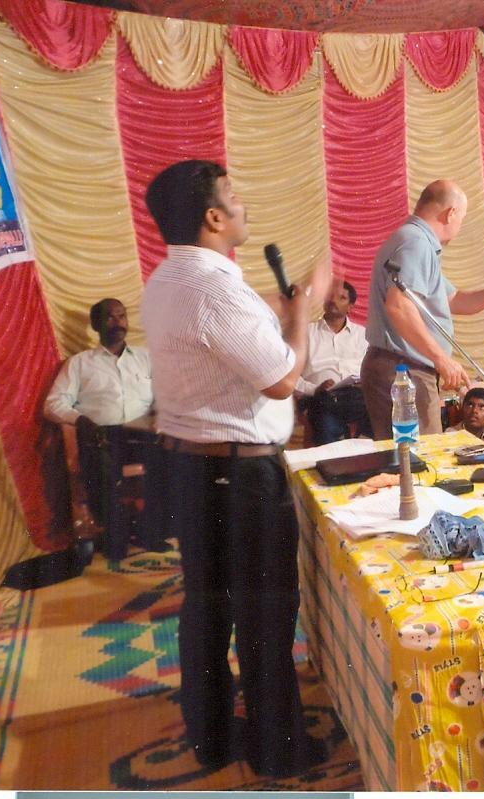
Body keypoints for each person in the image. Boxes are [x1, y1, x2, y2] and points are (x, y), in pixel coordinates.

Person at [141, 159, 330, 775]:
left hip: (193, 470)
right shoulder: (216, 289)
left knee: (208, 607)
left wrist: (283, 316)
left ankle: (213, 737)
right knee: (265, 614)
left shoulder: (167, 280)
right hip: (239, 477)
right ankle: (279, 750)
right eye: (234, 196)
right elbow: (281, 379)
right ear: (213, 217)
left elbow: (235, 352)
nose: (243, 204)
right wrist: (300, 317)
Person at [361, 180, 484, 439]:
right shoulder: (417, 243)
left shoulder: (413, 240)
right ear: (451, 213)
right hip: (404, 369)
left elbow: (452, 299)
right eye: (461, 218)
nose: (459, 226)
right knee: (419, 456)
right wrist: (441, 358)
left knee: (412, 454)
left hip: (401, 366)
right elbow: (399, 306)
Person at [43, 298, 168, 559]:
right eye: (110, 317)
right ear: (96, 325)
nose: (118, 322)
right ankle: (116, 535)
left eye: (121, 316)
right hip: (101, 436)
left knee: (174, 456)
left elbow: (165, 397)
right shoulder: (80, 363)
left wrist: (160, 416)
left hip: (141, 435)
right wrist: (80, 420)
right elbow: (53, 404)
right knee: (100, 467)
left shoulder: (146, 358)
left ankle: (149, 530)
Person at [295, 280, 370, 445]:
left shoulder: (363, 335)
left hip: (357, 397)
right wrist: (314, 389)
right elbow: (290, 377)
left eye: (341, 297)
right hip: (320, 398)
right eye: (330, 295)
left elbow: (372, 371)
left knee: (383, 417)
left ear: (350, 307)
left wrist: (366, 383)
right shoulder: (306, 333)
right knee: (325, 423)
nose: (333, 300)